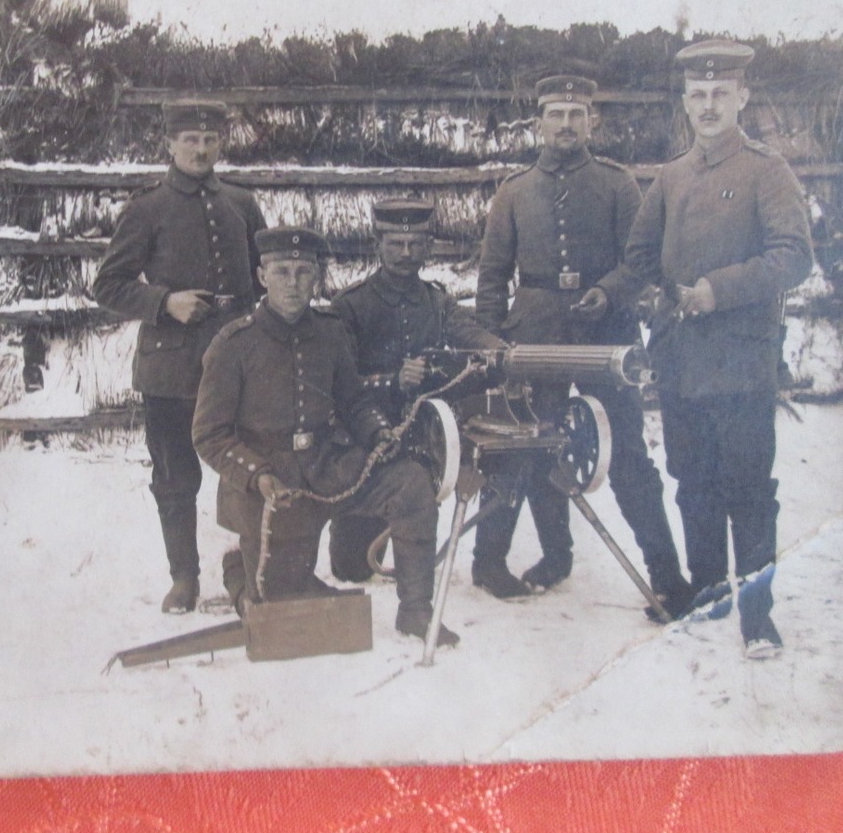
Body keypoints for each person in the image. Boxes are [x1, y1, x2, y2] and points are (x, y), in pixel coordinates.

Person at [473, 75, 692, 617]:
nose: (566, 124)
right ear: (539, 123)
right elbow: (492, 276)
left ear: (591, 120)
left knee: (627, 458)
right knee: (525, 441)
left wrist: (608, 292)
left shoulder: (618, 185)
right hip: (534, 333)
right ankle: (507, 560)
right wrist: (491, 344)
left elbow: (641, 260)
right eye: (556, 114)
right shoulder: (513, 191)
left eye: (576, 113)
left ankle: (666, 576)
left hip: (607, 334)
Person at [624, 40, 813, 659]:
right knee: (692, 482)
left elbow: (793, 256)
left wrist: (718, 291)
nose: (708, 106)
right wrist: (658, 298)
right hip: (682, 362)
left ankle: (758, 619)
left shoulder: (768, 171)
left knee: (748, 489)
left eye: (719, 95)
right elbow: (638, 257)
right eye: (697, 96)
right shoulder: (672, 176)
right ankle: (709, 592)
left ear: (742, 98)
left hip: (741, 362)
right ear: (685, 101)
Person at [192, 227, 459, 646]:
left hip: (327, 466)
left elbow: (352, 402)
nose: (293, 283)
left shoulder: (331, 332)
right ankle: (239, 575)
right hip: (271, 487)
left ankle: (416, 612)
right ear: (263, 276)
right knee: (285, 612)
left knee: (410, 483)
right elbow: (209, 434)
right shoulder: (233, 344)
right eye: (282, 272)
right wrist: (258, 475)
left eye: (303, 272)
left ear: (316, 276)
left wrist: (376, 432)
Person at [91, 103, 266, 614]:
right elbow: (108, 285)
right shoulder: (147, 209)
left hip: (237, 362)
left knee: (251, 465)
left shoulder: (242, 203)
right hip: (170, 367)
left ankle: (257, 564)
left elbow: (265, 274)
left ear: (221, 146)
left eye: (210, 140)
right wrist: (164, 302)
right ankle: (184, 577)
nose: (200, 149)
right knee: (174, 475)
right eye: (189, 139)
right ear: (169, 145)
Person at [327, 197, 506, 583]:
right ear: (378, 245)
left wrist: (499, 350)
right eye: (395, 244)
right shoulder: (350, 306)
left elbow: (469, 333)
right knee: (352, 570)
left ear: (427, 247)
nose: (406, 254)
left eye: (414, 244)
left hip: (426, 436)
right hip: (365, 437)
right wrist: (391, 381)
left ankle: (473, 565)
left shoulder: (438, 302)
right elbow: (335, 384)